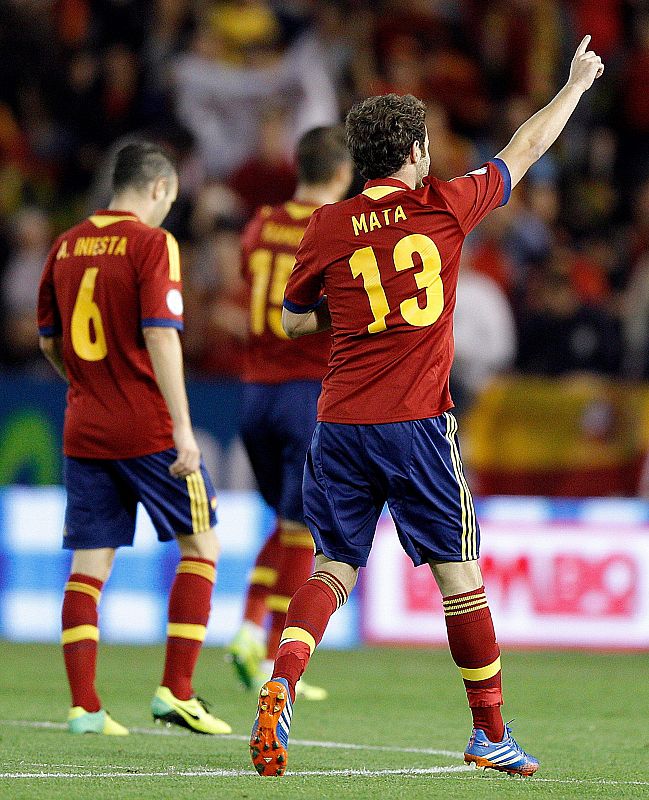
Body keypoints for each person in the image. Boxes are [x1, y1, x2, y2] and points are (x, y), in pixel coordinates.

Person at [250, 36, 604, 777]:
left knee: (332, 568)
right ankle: (489, 732)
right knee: (460, 579)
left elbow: (290, 319)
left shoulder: (326, 226)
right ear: (411, 152)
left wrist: (350, 313)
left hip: (340, 423)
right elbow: (527, 146)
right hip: (414, 424)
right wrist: (572, 86)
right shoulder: (443, 206)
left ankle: (280, 678)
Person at [37, 141, 231, 736]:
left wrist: (89, 386)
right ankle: (176, 691)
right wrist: (181, 426)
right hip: (147, 428)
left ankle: (85, 707)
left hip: (85, 427)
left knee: (88, 569)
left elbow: (49, 340)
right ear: (157, 189)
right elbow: (162, 335)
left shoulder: (65, 245)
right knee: (202, 548)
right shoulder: (153, 244)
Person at [227, 126, 353, 700]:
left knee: (286, 517)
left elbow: (251, 280)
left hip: (254, 389)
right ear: (342, 173)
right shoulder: (333, 228)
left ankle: (251, 630)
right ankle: (280, 657)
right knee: (304, 524)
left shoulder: (260, 222)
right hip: (306, 387)